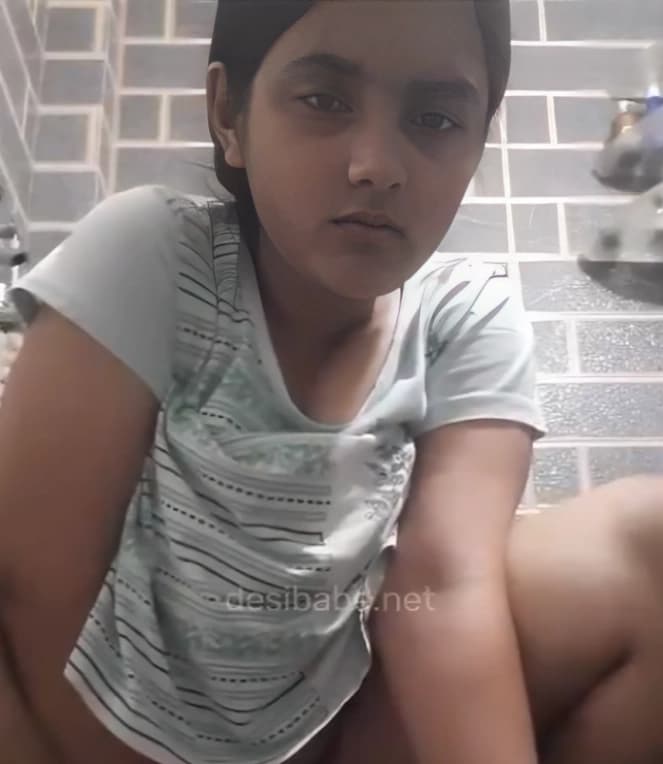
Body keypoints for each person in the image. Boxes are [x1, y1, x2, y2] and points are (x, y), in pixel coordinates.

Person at [0, 2, 662, 764]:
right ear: (229, 114)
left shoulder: (466, 315)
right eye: (323, 100)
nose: (377, 164)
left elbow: (442, 589)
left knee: (647, 544)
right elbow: (34, 587)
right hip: (104, 719)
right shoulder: (155, 252)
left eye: (436, 118)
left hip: (334, 730)